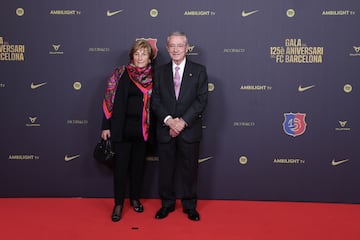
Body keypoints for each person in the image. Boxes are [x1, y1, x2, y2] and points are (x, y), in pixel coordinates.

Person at [151, 31, 208, 221]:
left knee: (190, 170)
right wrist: (169, 120)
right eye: (172, 46)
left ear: (186, 48)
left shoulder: (199, 70)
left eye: (180, 45)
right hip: (165, 129)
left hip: (189, 130)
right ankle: (166, 204)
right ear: (167, 48)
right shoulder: (158, 72)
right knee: (166, 170)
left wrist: (182, 122)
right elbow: (155, 100)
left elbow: (201, 100)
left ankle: (190, 206)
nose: (176, 49)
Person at [101, 39, 154, 222]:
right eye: (137, 53)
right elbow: (109, 100)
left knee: (138, 168)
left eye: (144, 54)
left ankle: (135, 199)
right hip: (121, 130)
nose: (140, 57)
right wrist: (105, 126)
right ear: (132, 56)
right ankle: (118, 204)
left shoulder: (154, 77)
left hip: (142, 131)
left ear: (149, 58)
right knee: (121, 169)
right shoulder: (120, 73)